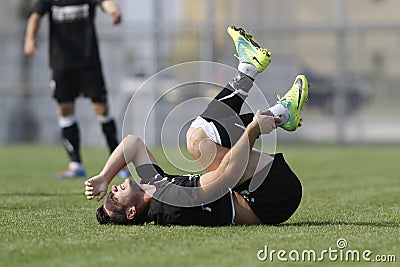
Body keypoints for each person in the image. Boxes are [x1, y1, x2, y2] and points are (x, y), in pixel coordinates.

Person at [84, 26, 309, 226]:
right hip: (271, 197)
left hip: (257, 187)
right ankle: (267, 95)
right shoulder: (170, 205)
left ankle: (265, 90)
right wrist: (252, 131)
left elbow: (131, 144)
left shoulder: (152, 185)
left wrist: (104, 176)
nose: (113, 191)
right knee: (197, 140)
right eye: (114, 199)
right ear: (132, 212)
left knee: (197, 139)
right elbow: (227, 175)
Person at [23, 0, 129, 179]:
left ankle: (118, 163)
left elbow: (106, 3)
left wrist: (114, 12)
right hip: (61, 64)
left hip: (88, 62)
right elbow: (35, 15)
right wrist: (29, 38)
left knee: (101, 109)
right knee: (64, 110)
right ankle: (75, 164)